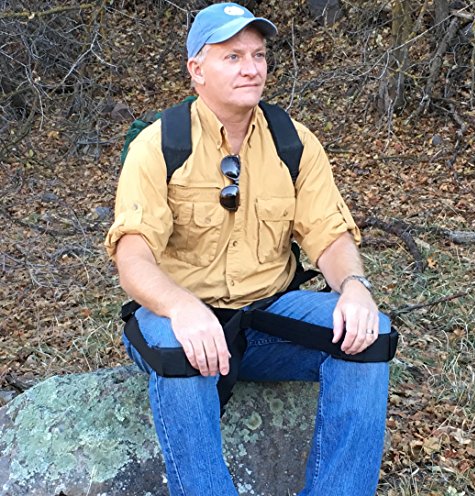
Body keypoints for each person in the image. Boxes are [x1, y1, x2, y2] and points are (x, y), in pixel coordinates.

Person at [105, 3, 391, 495]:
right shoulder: (159, 145)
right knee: (179, 353)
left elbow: (329, 235)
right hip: (180, 318)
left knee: (371, 336)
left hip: (266, 318)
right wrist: (182, 308)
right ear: (197, 69)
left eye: (258, 55)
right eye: (232, 56)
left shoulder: (293, 142)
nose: (252, 68)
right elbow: (132, 257)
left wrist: (355, 287)